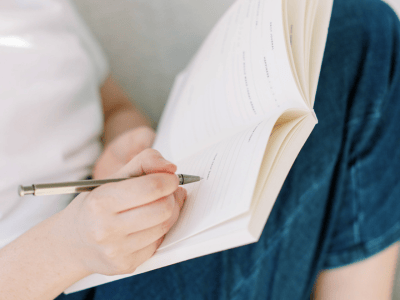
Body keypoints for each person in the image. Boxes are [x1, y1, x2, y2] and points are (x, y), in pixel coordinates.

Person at [0, 0, 399, 299]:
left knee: (356, 30)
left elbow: (113, 106)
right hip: (49, 274)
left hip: (110, 218)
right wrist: (66, 249)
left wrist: (125, 142)